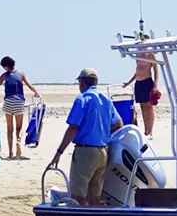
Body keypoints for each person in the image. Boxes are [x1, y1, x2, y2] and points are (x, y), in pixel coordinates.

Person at [50, 68, 124, 206]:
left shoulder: (82, 99)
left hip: (85, 152)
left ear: (83, 82)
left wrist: (59, 152)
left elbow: (73, 127)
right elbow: (119, 123)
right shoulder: (106, 99)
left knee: (78, 195)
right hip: (103, 152)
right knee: (95, 197)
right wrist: (102, 131)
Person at [0, 56, 41, 160]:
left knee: (10, 129)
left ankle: (10, 153)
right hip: (19, 102)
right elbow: (30, 86)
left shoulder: (4, 76)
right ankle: (18, 141)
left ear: (6, 66)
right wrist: (37, 93)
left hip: (8, 102)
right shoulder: (21, 74)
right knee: (19, 127)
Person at [121, 35, 161, 137]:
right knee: (143, 107)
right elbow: (137, 71)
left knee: (149, 107)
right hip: (138, 83)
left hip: (147, 82)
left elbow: (156, 70)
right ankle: (146, 130)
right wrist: (129, 82)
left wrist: (155, 85)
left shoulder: (150, 55)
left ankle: (150, 130)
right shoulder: (137, 54)